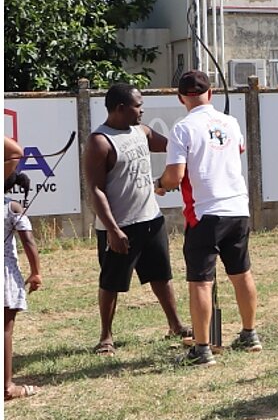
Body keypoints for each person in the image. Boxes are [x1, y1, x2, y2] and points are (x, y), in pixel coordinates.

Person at [155, 70, 261, 367]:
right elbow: (235, 149)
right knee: (241, 273)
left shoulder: (182, 128)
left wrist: (160, 184)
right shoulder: (231, 122)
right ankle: (250, 334)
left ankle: (202, 349)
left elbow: (175, 176)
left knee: (200, 282)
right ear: (211, 93)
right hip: (238, 208)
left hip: (205, 212)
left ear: (180, 98)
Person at [84, 83, 191, 355]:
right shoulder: (100, 141)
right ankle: (106, 336)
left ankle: (175, 325)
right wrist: (112, 229)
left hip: (151, 218)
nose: (142, 110)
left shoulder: (141, 131)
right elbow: (95, 190)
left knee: (161, 275)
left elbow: (170, 147)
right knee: (111, 282)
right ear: (120, 108)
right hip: (120, 226)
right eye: (137, 106)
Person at [5, 172, 42, 401]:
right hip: (4, 274)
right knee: (4, 330)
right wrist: (36, 272)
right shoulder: (12, 208)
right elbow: (28, 241)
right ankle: (7, 387)